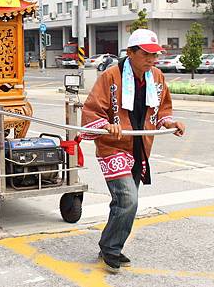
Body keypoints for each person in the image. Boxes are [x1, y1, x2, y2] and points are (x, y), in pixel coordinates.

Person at [81, 29, 186, 273]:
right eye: (146, 55)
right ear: (130, 53)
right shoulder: (111, 76)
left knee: (123, 202)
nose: (152, 60)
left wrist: (170, 123)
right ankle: (111, 250)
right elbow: (92, 110)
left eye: (155, 55)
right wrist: (106, 125)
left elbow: (162, 110)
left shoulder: (157, 77)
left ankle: (108, 243)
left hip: (140, 147)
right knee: (128, 199)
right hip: (113, 146)